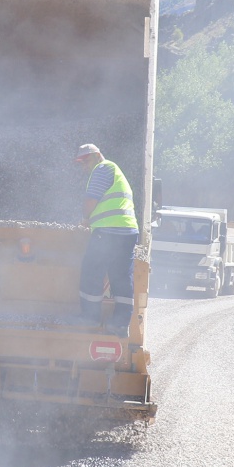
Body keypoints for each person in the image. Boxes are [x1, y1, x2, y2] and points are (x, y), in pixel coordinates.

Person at [75, 143, 138, 337]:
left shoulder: (102, 169)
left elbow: (90, 200)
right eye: (81, 161)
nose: (84, 164)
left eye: (86, 159)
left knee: (91, 271)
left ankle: (90, 317)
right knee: (120, 276)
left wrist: (85, 219)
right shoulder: (114, 171)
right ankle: (120, 323)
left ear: (97, 155)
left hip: (108, 231)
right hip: (127, 231)